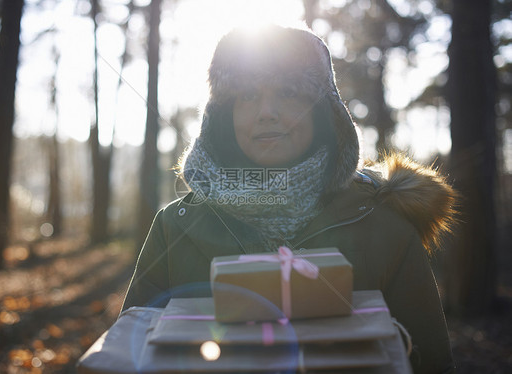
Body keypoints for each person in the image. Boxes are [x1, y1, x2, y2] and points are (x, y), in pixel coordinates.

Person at [121, 24, 457, 374]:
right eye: (248, 96)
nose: (267, 111)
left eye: (289, 93)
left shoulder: (383, 222)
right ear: (223, 115)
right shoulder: (175, 225)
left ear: (324, 113)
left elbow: (431, 363)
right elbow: (128, 355)